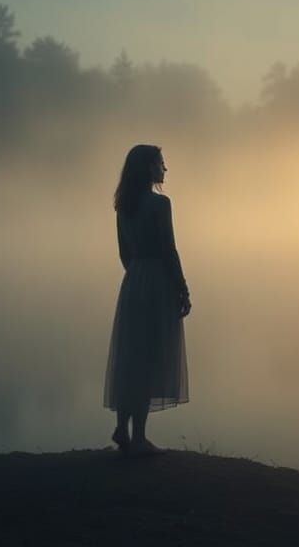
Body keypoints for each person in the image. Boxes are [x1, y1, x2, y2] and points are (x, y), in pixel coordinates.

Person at [104, 144, 192, 457]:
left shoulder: (123, 206)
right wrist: (181, 286)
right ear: (148, 168)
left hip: (133, 281)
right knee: (150, 354)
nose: (165, 170)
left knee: (132, 355)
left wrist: (137, 275)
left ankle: (122, 428)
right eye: (161, 164)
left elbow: (124, 253)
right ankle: (138, 437)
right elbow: (169, 248)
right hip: (156, 280)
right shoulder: (160, 204)